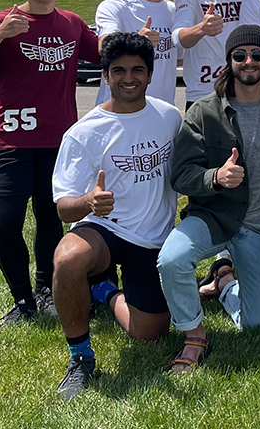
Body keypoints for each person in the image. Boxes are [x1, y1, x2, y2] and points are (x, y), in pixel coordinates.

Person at [158, 25, 260, 372]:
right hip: (214, 217)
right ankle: (194, 333)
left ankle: (224, 281)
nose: (248, 61)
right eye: (239, 55)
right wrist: (215, 177)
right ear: (229, 61)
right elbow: (181, 175)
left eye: (257, 55)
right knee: (171, 261)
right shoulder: (203, 111)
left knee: (257, 325)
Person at [0, 0, 101, 326]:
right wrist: (1, 34)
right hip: (7, 140)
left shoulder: (71, 23)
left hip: (57, 142)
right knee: (6, 223)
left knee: (49, 219)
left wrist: (139, 38)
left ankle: (45, 289)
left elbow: (103, 54)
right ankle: (21, 301)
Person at [50, 32, 181, 399]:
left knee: (149, 333)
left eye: (138, 69)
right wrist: (89, 202)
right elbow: (63, 208)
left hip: (152, 238)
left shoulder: (169, 117)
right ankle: (80, 357)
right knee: (69, 257)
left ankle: (104, 290)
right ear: (105, 75)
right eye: (118, 70)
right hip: (104, 227)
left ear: (151, 74)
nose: (128, 78)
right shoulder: (84, 132)